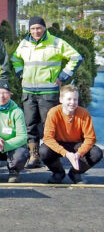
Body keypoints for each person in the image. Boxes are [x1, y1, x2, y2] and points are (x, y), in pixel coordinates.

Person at [11, 16, 82, 168]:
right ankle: (33, 156)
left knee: (48, 126)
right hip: (28, 92)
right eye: (32, 28)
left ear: (44, 28)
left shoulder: (56, 42)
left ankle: (51, 158)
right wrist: (21, 75)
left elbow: (76, 57)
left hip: (48, 92)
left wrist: (63, 76)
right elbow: (15, 59)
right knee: (30, 125)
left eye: (38, 28)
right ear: (29, 30)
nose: (36, 31)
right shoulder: (24, 44)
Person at [40, 85, 101, 184]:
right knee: (43, 151)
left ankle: (75, 173)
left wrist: (78, 154)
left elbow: (90, 138)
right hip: (59, 143)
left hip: (77, 144)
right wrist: (66, 154)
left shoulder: (84, 113)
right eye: (69, 99)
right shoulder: (53, 112)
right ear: (61, 99)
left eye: (75, 99)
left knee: (96, 153)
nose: (72, 102)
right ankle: (58, 172)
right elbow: (48, 138)